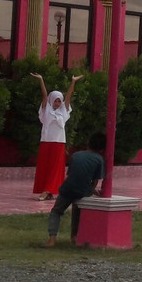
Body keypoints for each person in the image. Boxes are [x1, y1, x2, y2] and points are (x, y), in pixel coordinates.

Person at [45, 132, 107, 247]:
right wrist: (92, 190)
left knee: (56, 211)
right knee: (77, 212)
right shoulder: (99, 160)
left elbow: (72, 174)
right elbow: (94, 181)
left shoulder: (76, 155)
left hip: (68, 188)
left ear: (88, 143)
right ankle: (74, 237)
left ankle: (52, 239)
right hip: (83, 191)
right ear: (102, 149)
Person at [30, 72, 82, 201]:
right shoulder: (46, 110)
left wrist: (73, 82)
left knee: (55, 168)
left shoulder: (63, 111)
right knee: (45, 167)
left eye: (60, 101)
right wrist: (41, 79)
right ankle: (46, 190)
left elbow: (69, 97)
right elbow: (44, 95)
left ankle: (49, 190)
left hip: (58, 143)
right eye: (56, 100)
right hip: (46, 142)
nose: (58, 103)